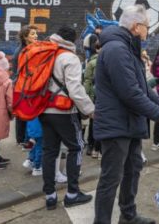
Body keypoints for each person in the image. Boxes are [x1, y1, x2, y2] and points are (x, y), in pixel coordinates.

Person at [93, 5, 159, 224]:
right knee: (111, 178)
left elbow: (141, 87)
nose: (148, 31)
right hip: (116, 124)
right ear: (136, 26)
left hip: (129, 123)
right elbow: (128, 92)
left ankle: (128, 216)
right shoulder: (117, 50)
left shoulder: (127, 48)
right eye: (147, 26)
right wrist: (157, 114)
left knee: (132, 170)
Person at [38, 26, 95, 210]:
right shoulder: (69, 57)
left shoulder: (43, 53)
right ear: (73, 40)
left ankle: (50, 195)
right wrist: (90, 109)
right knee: (77, 147)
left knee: (49, 151)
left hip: (43, 109)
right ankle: (72, 193)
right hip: (64, 111)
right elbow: (75, 89)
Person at [12, 25, 38, 147]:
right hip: (23, 86)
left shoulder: (32, 48)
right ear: (25, 37)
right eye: (32, 34)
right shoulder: (21, 51)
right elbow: (19, 71)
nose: (36, 36)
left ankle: (28, 138)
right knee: (22, 113)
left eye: (35, 33)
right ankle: (21, 139)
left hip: (30, 85)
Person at [84, 41, 101, 158]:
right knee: (93, 122)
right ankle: (91, 146)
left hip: (99, 97)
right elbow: (87, 81)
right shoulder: (92, 62)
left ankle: (95, 147)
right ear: (97, 49)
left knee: (96, 123)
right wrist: (88, 98)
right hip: (94, 97)